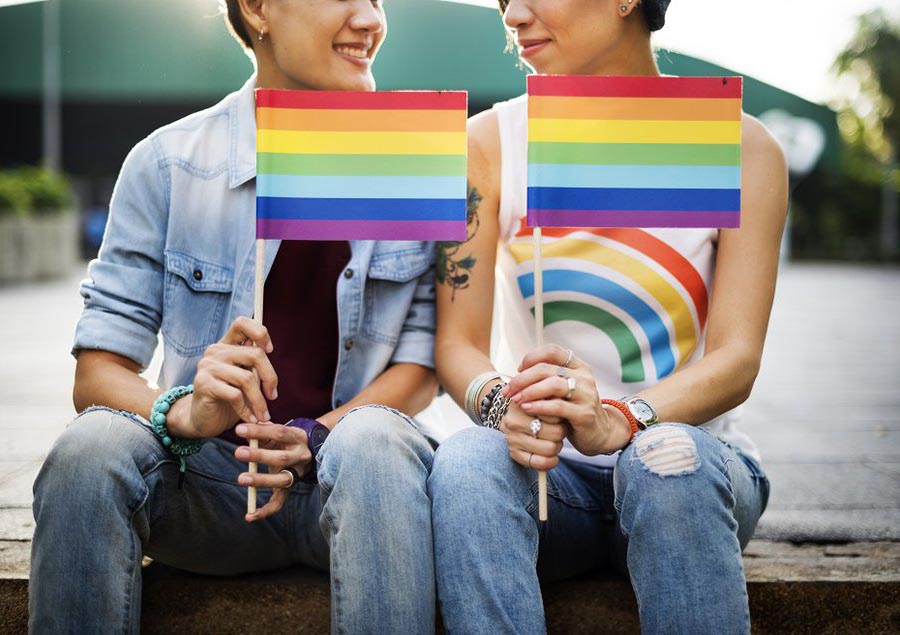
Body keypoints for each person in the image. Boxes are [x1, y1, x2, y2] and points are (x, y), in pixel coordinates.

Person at [29, 1, 442, 633]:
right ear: (257, 9)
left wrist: (315, 436)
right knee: (90, 449)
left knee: (379, 442)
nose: (370, 19)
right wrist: (185, 412)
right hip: (210, 484)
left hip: (355, 485)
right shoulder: (168, 162)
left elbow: (422, 365)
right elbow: (98, 373)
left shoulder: (414, 162)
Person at [432, 0, 786, 632]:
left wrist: (622, 420)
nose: (513, 15)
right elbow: (458, 344)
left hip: (690, 466)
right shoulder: (487, 142)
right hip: (547, 478)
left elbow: (737, 359)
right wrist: (499, 405)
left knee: (669, 460)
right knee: (464, 463)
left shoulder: (740, 144)